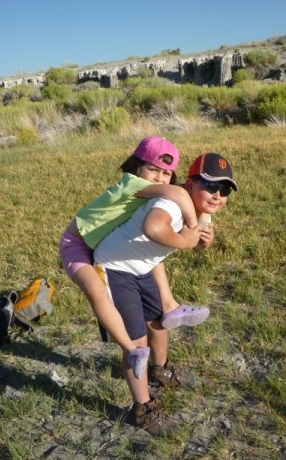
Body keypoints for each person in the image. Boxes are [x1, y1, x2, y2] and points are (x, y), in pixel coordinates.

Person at [93, 152, 238, 434]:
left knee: (160, 321)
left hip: (142, 267)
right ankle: (142, 408)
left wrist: (203, 241)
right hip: (115, 269)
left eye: (224, 190)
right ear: (189, 184)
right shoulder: (170, 204)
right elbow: (154, 226)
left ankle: (160, 370)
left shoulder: (203, 210)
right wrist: (185, 241)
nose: (217, 195)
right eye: (209, 186)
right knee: (136, 343)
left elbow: (197, 239)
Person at [59, 137, 210, 379]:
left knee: (152, 258)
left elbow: (180, 193)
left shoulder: (151, 190)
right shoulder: (132, 184)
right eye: (153, 170)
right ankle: (132, 349)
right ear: (136, 167)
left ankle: (169, 305)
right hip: (77, 246)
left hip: (104, 241)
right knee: (96, 290)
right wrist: (190, 231)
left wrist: (203, 226)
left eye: (166, 173)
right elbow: (179, 194)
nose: (160, 178)